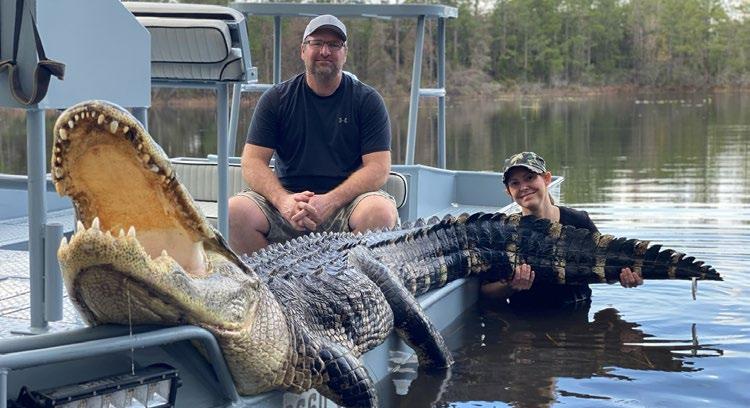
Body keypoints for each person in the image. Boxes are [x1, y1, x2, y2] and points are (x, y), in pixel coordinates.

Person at [228, 14, 398, 255]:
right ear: (303, 50)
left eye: (334, 45)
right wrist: (284, 202)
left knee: (380, 212)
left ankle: (348, 274)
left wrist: (330, 201)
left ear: (345, 53)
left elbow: (379, 168)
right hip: (288, 202)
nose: (325, 51)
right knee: (233, 212)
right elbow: (252, 161)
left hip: (347, 204)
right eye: (316, 43)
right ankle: (273, 276)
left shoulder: (367, 101)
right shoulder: (276, 99)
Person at [480, 151, 643, 309]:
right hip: (528, 315)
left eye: (530, 177)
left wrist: (624, 277)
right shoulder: (504, 232)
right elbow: (485, 291)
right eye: (515, 183)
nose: (523, 187)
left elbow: (606, 266)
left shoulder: (579, 221)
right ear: (509, 192)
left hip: (578, 311)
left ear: (547, 179)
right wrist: (510, 286)